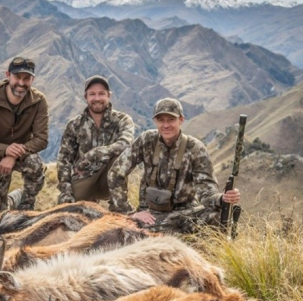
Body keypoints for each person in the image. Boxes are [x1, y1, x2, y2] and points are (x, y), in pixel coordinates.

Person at [108, 98, 241, 232]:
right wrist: (129, 213)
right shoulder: (146, 140)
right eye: (161, 120)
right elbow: (116, 173)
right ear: (155, 121)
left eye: (171, 119)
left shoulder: (195, 148)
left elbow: (206, 191)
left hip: (187, 213)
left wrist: (222, 198)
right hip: (151, 215)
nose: (166, 125)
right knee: (138, 230)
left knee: (219, 217)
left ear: (181, 120)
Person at [0, 56, 49, 211]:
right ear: (8, 75)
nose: (21, 83)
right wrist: (4, 150)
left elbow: (42, 139)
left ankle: (26, 206)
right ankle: (13, 199)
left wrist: (13, 155)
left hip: (22, 155)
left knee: (35, 165)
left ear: (32, 79)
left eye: (26, 78)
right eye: (17, 77)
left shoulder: (38, 101)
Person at [56, 75, 134, 208]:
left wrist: (93, 154)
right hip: (84, 177)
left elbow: (126, 144)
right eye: (92, 94)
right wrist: (66, 190)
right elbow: (64, 160)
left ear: (109, 95)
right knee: (67, 210)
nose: (97, 98)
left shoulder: (122, 120)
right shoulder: (75, 125)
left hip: (109, 179)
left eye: (101, 94)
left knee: (119, 157)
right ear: (85, 97)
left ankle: (119, 208)